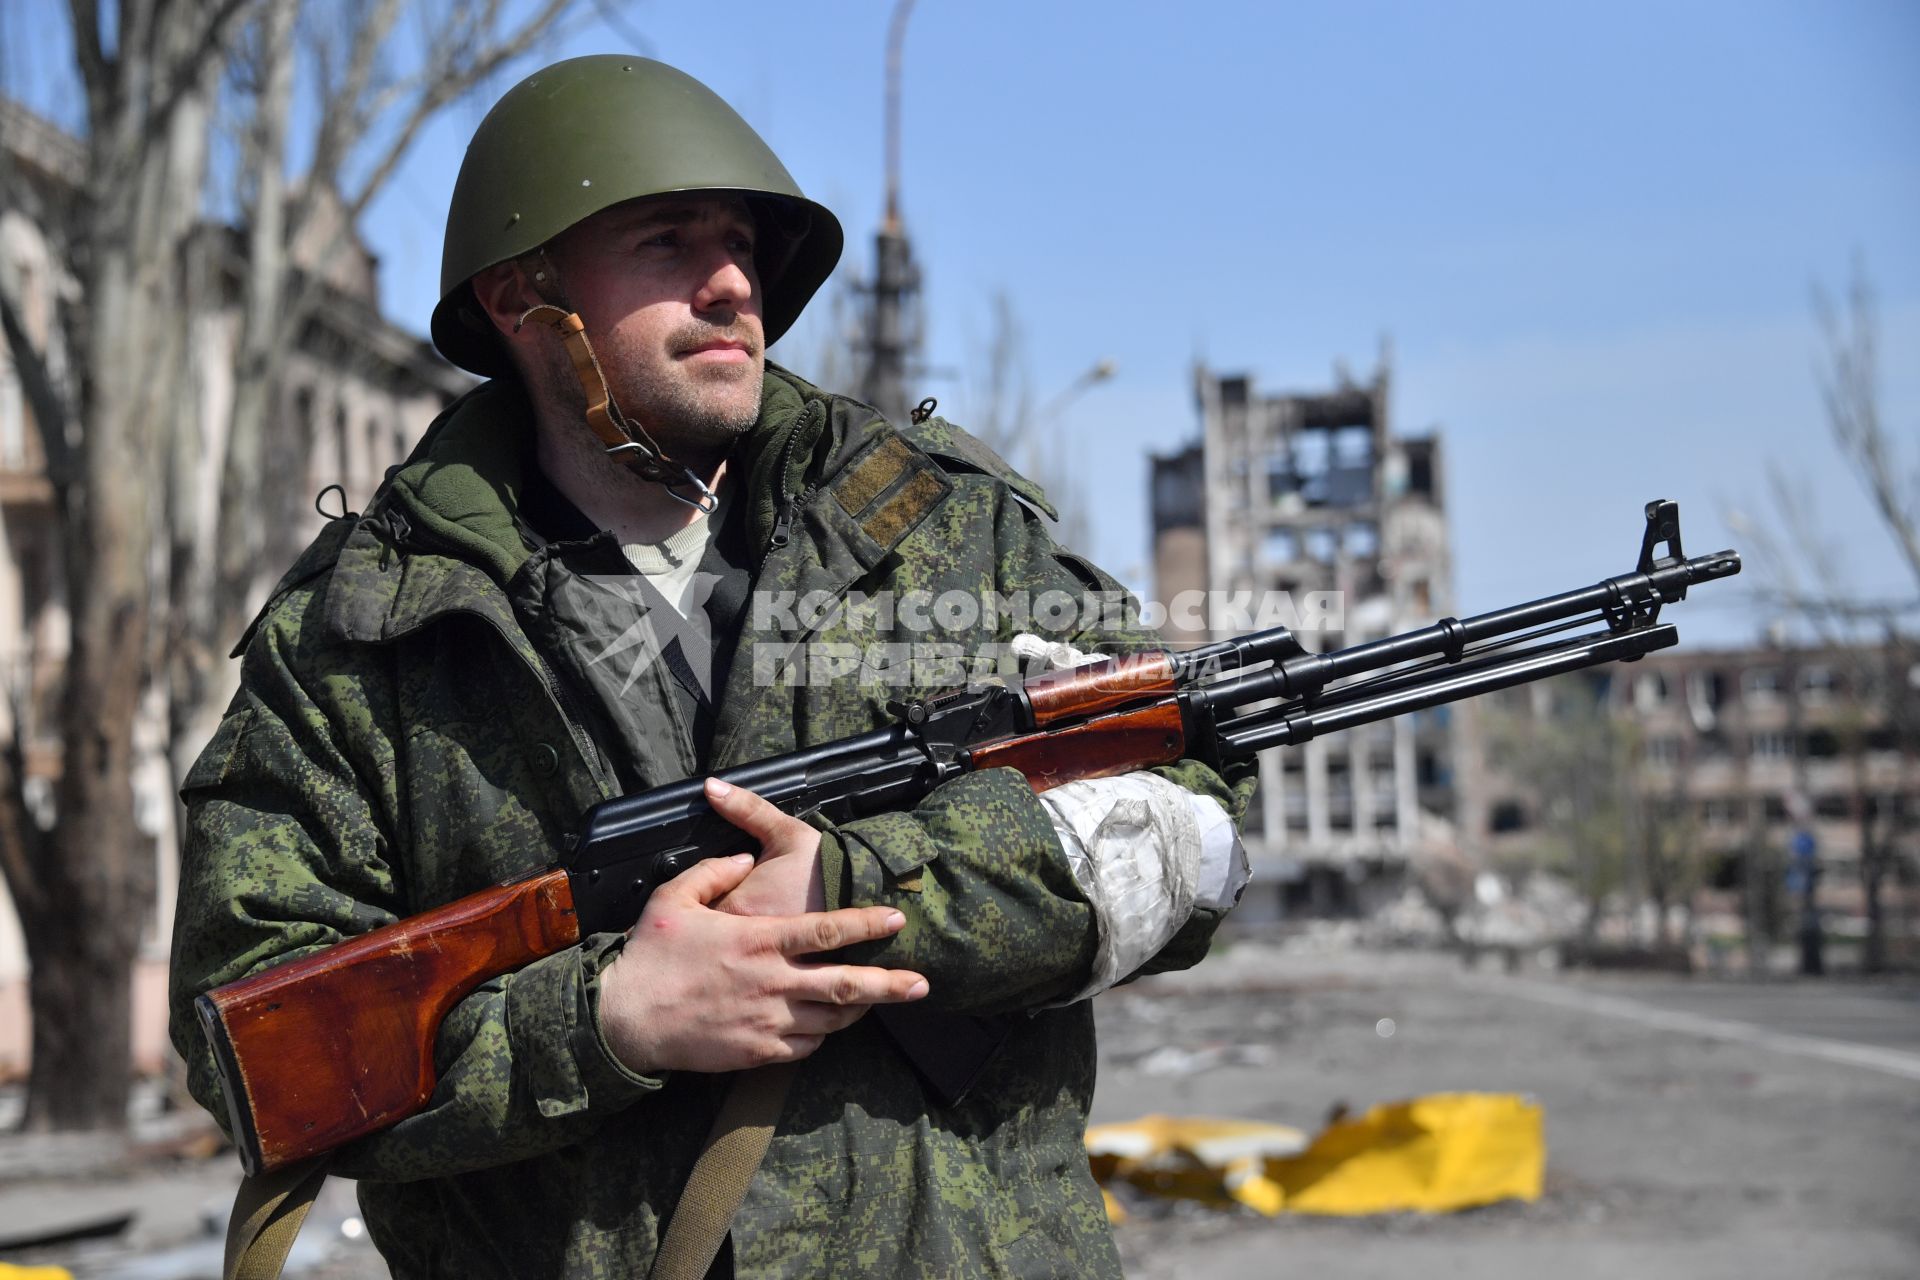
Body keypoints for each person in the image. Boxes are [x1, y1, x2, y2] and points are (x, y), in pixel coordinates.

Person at [170, 55, 1253, 1279]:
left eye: (740, 243)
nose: (732, 280)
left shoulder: (940, 529)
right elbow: (255, 1038)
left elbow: (1193, 812)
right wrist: (607, 1020)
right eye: (667, 242)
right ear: (525, 296)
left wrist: (866, 885)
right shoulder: (363, 634)